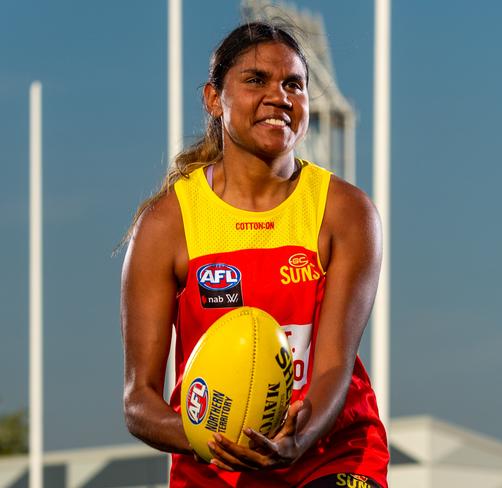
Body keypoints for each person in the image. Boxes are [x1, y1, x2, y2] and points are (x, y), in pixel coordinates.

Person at [121, 22, 389, 487]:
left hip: (329, 456)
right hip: (213, 472)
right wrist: (209, 436)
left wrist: (295, 442)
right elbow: (139, 402)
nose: (279, 96)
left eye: (294, 84)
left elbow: (332, 368)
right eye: (256, 80)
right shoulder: (168, 224)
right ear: (212, 98)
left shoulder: (345, 211)